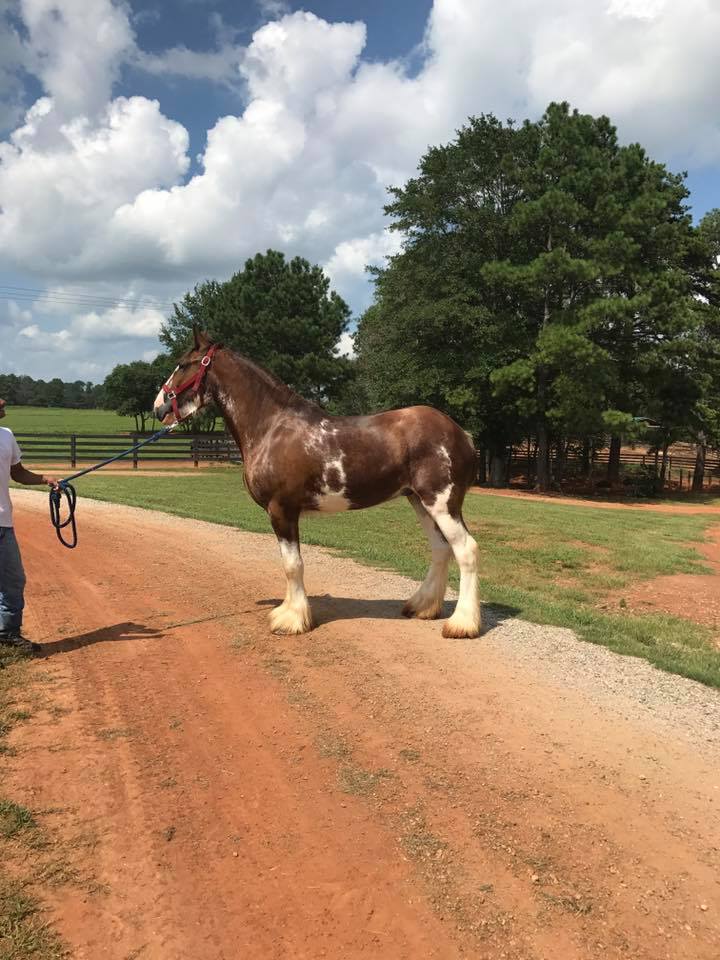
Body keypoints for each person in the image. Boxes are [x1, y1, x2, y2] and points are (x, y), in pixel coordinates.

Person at [0, 397, 58, 655]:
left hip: (3, 522)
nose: (3, 402)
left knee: (13, 580)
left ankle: (7, 634)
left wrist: (45, 479)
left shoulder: (6, 435)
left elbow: (18, 473)